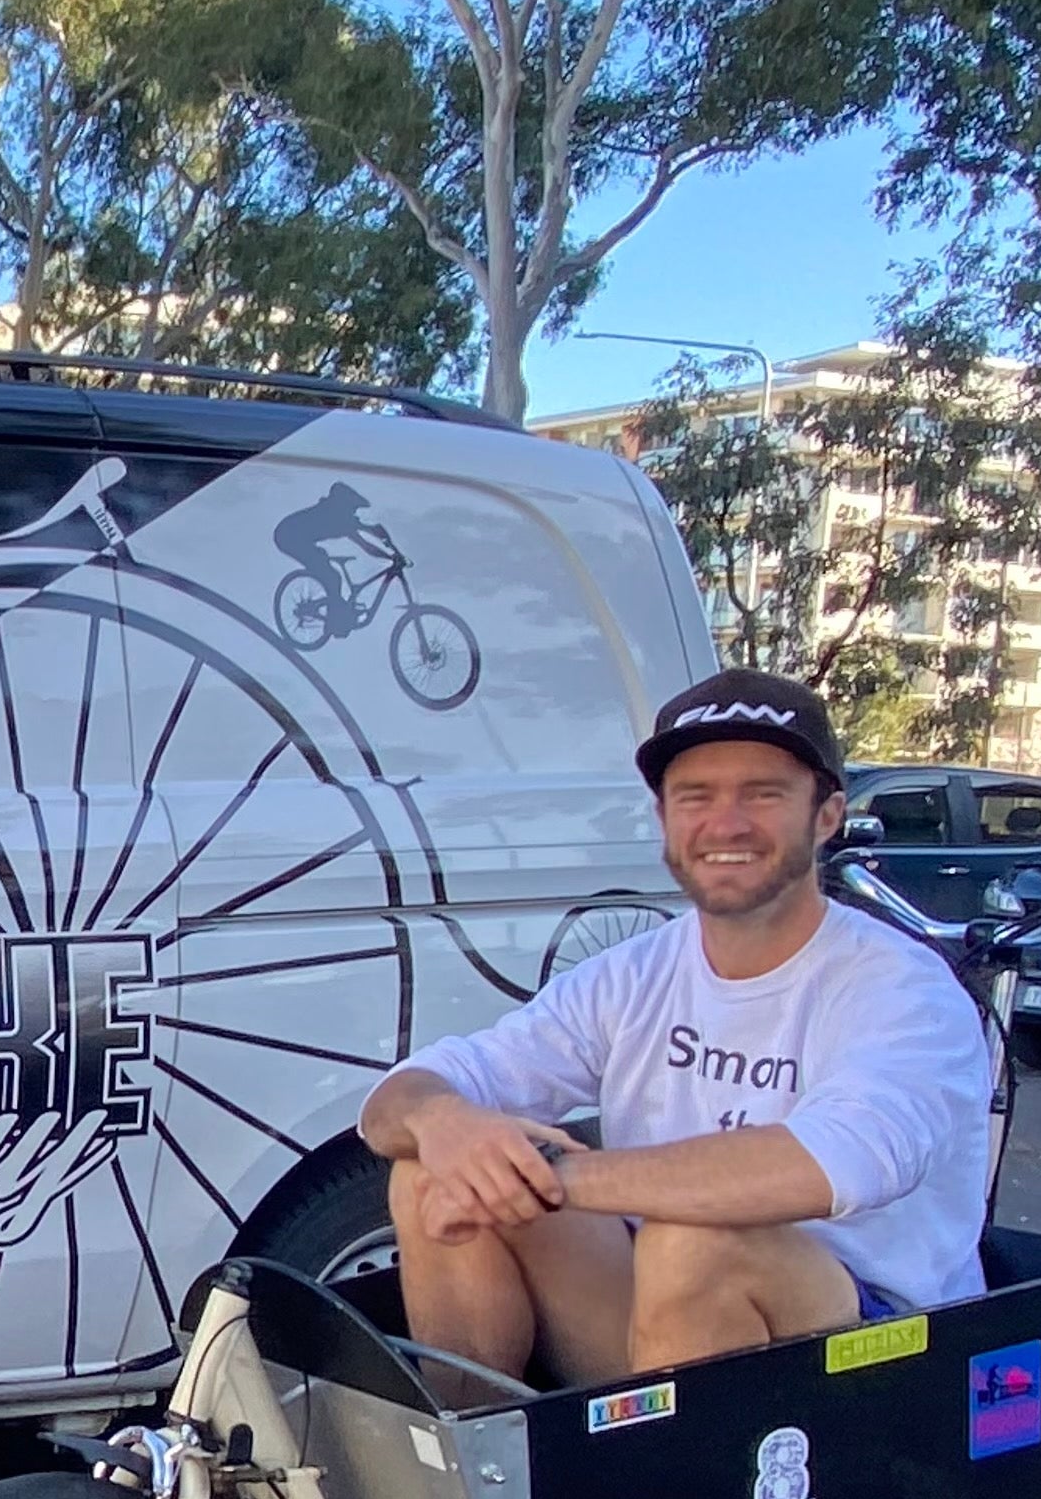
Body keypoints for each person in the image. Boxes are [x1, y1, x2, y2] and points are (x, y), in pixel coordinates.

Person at [354, 670, 995, 1386]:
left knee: (693, 1241)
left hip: (878, 1360)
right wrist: (443, 1123)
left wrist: (552, 1179)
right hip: (667, 1327)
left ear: (826, 816)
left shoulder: (902, 989)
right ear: (664, 819)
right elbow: (397, 1103)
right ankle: (470, 1476)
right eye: (696, 797)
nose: (726, 824)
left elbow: (833, 1164)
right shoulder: (634, 973)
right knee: (430, 1168)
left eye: (763, 793)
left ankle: (665, 1494)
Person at [271, 480, 404, 638]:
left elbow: (373, 530)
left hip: (295, 537)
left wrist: (393, 549)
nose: (354, 513)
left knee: (326, 568)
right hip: (288, 536)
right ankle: (333, 623)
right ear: (344, 505)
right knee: (332, 577)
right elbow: (367, 546)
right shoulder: (336, 517)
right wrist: (390, 556)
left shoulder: (340, 517)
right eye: (353, 508)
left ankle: (338, 616)